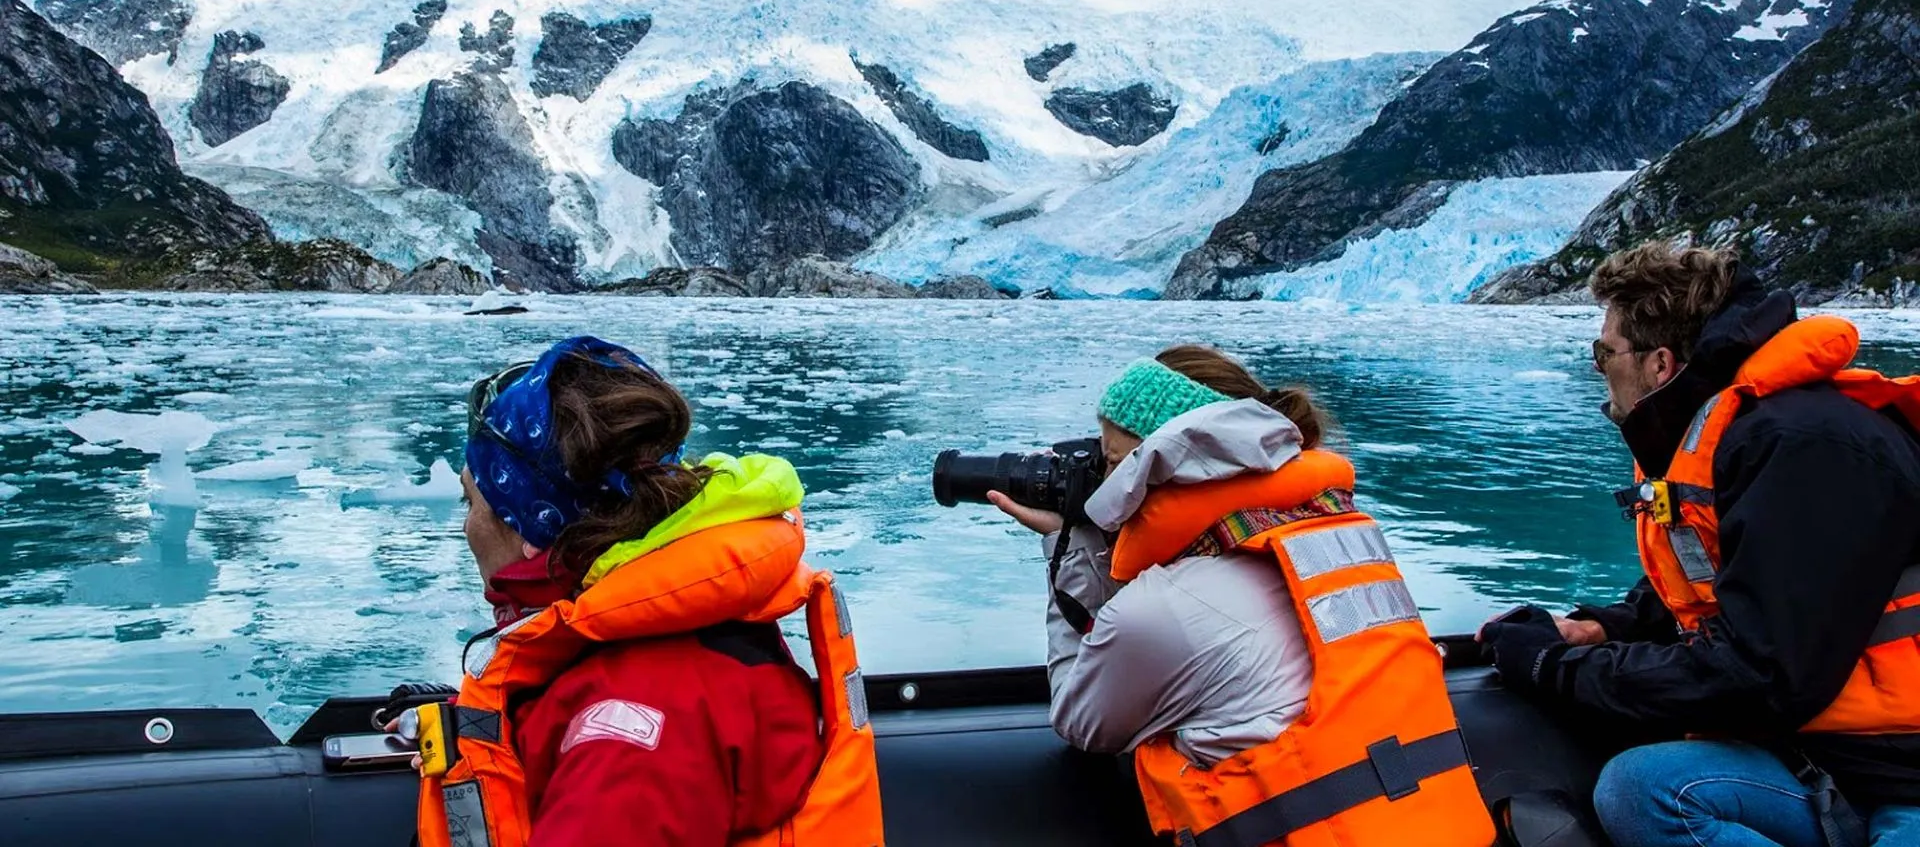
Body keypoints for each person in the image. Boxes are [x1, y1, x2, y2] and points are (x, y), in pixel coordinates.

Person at [1477, 243, 1920, 847]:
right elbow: (1734, 579)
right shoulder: (1750, 433)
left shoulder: (1805, 448)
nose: (1598, 368)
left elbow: (1759, 674)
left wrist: (1550, 668)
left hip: (1898, 775)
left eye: (1604, 352)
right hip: (1841, 751)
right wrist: (1601, 628)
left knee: (1646, 793)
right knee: (1640, 785)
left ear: (1660, 364)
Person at [994, 344, 1494, 847]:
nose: (1101, 488)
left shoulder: (1159, 610)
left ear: (1159, 468)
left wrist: (1069, 545)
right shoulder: (1346, 542)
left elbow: (1082, 723)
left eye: (1114, 464)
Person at [406, 335, 883, 847]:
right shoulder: (656, 643)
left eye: (471, 502)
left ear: (529, 528)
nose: (466, 526)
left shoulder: (634, 729)